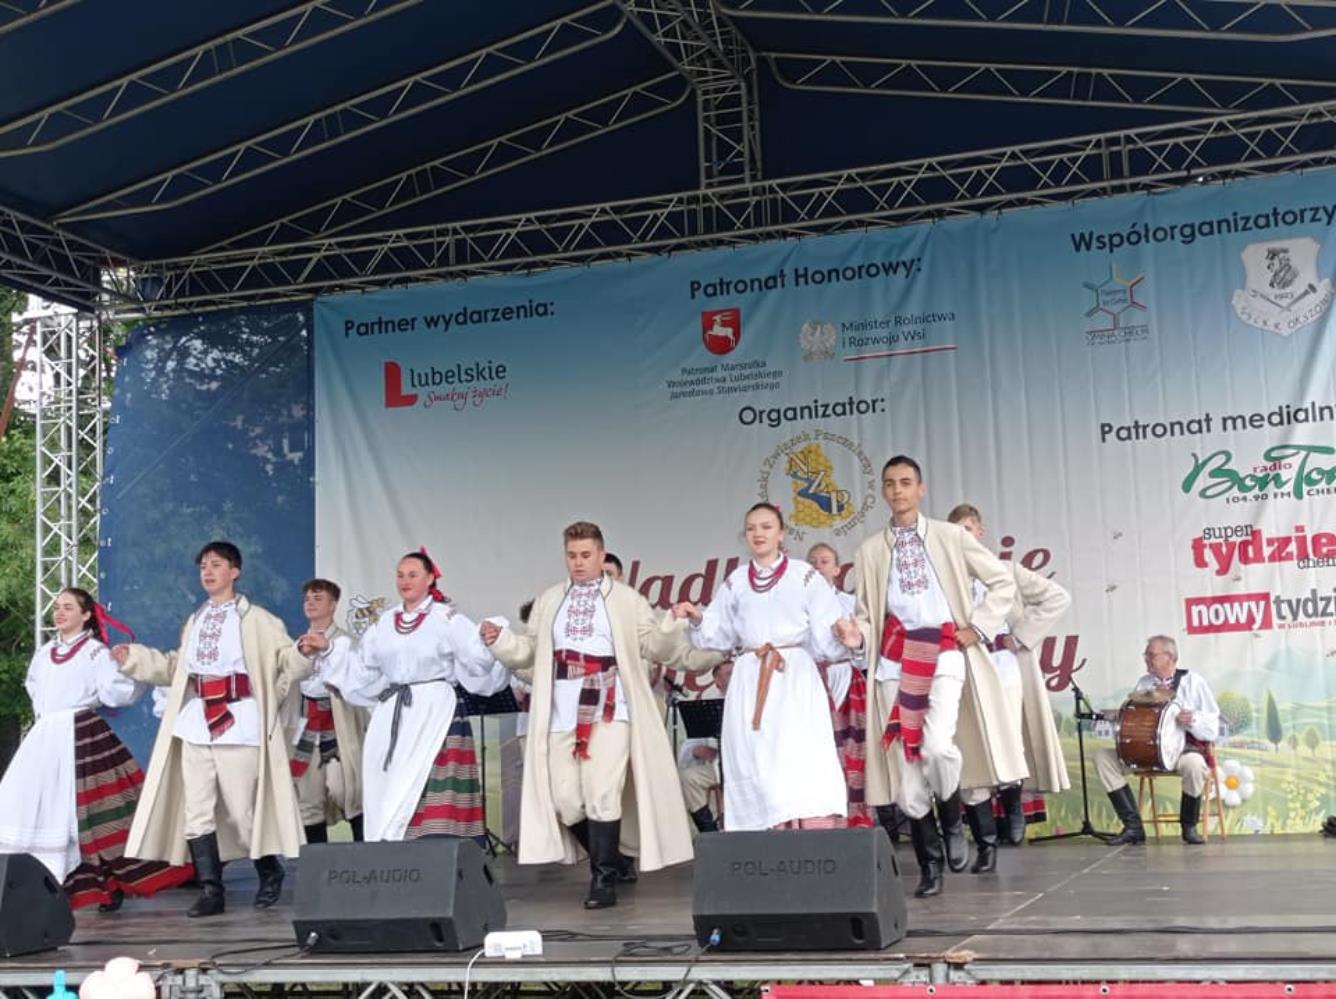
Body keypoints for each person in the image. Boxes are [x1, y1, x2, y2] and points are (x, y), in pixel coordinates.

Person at [483, 521, 706, 910]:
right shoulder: (550, 600)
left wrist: (672, 622)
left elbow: (653, 644)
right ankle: (614, 859)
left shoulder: (626, 599)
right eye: (572, 555)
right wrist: (500, 641)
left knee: (603, 790)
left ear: (602, 556)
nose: (579, 562)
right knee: (564, 800)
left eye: (586, 555)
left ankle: (602, 879)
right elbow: (530, 651)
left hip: (610, 705)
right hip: (561, 709)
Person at [838, 457, 1024, 897]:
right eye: (890, 484)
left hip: (943, 652)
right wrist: (855, 634)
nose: (898, 491)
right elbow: (868, 615)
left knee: (938, 746)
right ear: (883, 492)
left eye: (906, 483)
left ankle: (952, 815)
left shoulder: (949, 536)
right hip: (895, 660)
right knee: (906, 777)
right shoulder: (870, 550)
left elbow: (1002, 582)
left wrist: (978, 627)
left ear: (920, 488)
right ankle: (930, 866)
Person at [111, 541, 305, 917]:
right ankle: (211, 890)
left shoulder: (259, 620)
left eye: (216, 564)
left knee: (243, 810)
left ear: (235, 571)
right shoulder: (196, 620)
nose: (208, 572)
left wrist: (305, 652)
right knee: (196, 810)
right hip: (197, 722)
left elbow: (285, 659)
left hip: (239, 720)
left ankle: (269, 870)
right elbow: (176, 667)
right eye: (203, 566)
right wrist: (135, 658)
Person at [0, 589, 193, 910]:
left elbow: (116, 694)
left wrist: (131, 670)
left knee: (90, 815)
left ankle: (108, 883)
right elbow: (35, 689)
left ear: (86, 614)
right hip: (45, 738)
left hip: (81, 735)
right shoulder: (44, 653)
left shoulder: (95, 653)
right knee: (34, 807)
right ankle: (51, 886)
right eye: (57, 607)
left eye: (68, 607)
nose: (59, 613)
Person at [674, 503, 858, 833]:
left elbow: (828, 631)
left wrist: (843, 634)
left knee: (796, 750)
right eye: (751, 528)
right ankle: (765, 833)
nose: (758, 533)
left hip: (792, 674)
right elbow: (719, 631)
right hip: (751, 674)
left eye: (766, 526)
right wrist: (698, 617)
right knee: (755, 752)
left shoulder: (804, 575)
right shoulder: (736, 581)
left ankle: (808, 831)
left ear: (781, 533)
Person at [323, 551, 510, 843]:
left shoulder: (446, 618)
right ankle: (395, 848)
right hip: (394, 712)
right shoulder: (385, 622)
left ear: (430, 578)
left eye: (412, 575)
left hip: (436, 710)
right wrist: (329, 651)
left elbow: (477, 660)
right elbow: (363, 669)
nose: (405, 581)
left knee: (434, 780)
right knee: (392, 778)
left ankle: (439, 848)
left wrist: (493, 637)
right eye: (400, 575)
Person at [946, 504, 1071, 846]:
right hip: (966, 663)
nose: (963, 538)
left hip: (1002, 662)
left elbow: (1057, 597)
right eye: (956, 533)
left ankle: (1013, 813)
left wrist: (1022, 634)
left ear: (980, 532)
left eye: (968, 530)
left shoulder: (1006, 571)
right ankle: (983, 826)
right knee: (970, 737)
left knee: (1009, 736)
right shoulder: (947, 578)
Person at [1094, 635, 1220, 845]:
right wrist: (1123, 717)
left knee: (1195, 765)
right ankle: (1133, 827)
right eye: (1146, 655)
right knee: (1102, 757)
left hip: (1181, 753)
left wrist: (1193, 720)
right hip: (1145, 754)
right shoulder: (1144, 684)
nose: (1146, 659)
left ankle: (1189, 826)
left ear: (1169, 657)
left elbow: (1213, 728)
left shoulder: (1192, 682)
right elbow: (1137, 720)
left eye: (1151, 655)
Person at [281, 578, 369, 843]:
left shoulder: (348, 643)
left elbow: (357, 682)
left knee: (347, 790)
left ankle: (365, 855)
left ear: (333, 605)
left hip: (337, 725)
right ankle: (317, 860)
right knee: (308, 799)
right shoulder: (296, 646)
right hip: (306, 726)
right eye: (307, 598)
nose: (310, 603)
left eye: (318, 598)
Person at [806, 542, 873, 829]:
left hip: (845, 676)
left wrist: (852, 642)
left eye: (824, 561)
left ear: (836, 569)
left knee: (853, 750)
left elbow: (866, 649)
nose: (818, 566)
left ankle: (857, 818)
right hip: (811, 680)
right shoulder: (799, 606)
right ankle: (823, 819)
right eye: (813, 562)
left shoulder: (849, 604)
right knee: (819, 752)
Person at [676, 660, 733, 833]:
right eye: (729, 674)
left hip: (748, 769)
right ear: (717, 681)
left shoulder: (750, 703)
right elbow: (690, 747)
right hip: (718, 768)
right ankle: (709, 831)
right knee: (687, 777)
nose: (734, 677)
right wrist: (697, 750)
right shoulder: (709, 707)